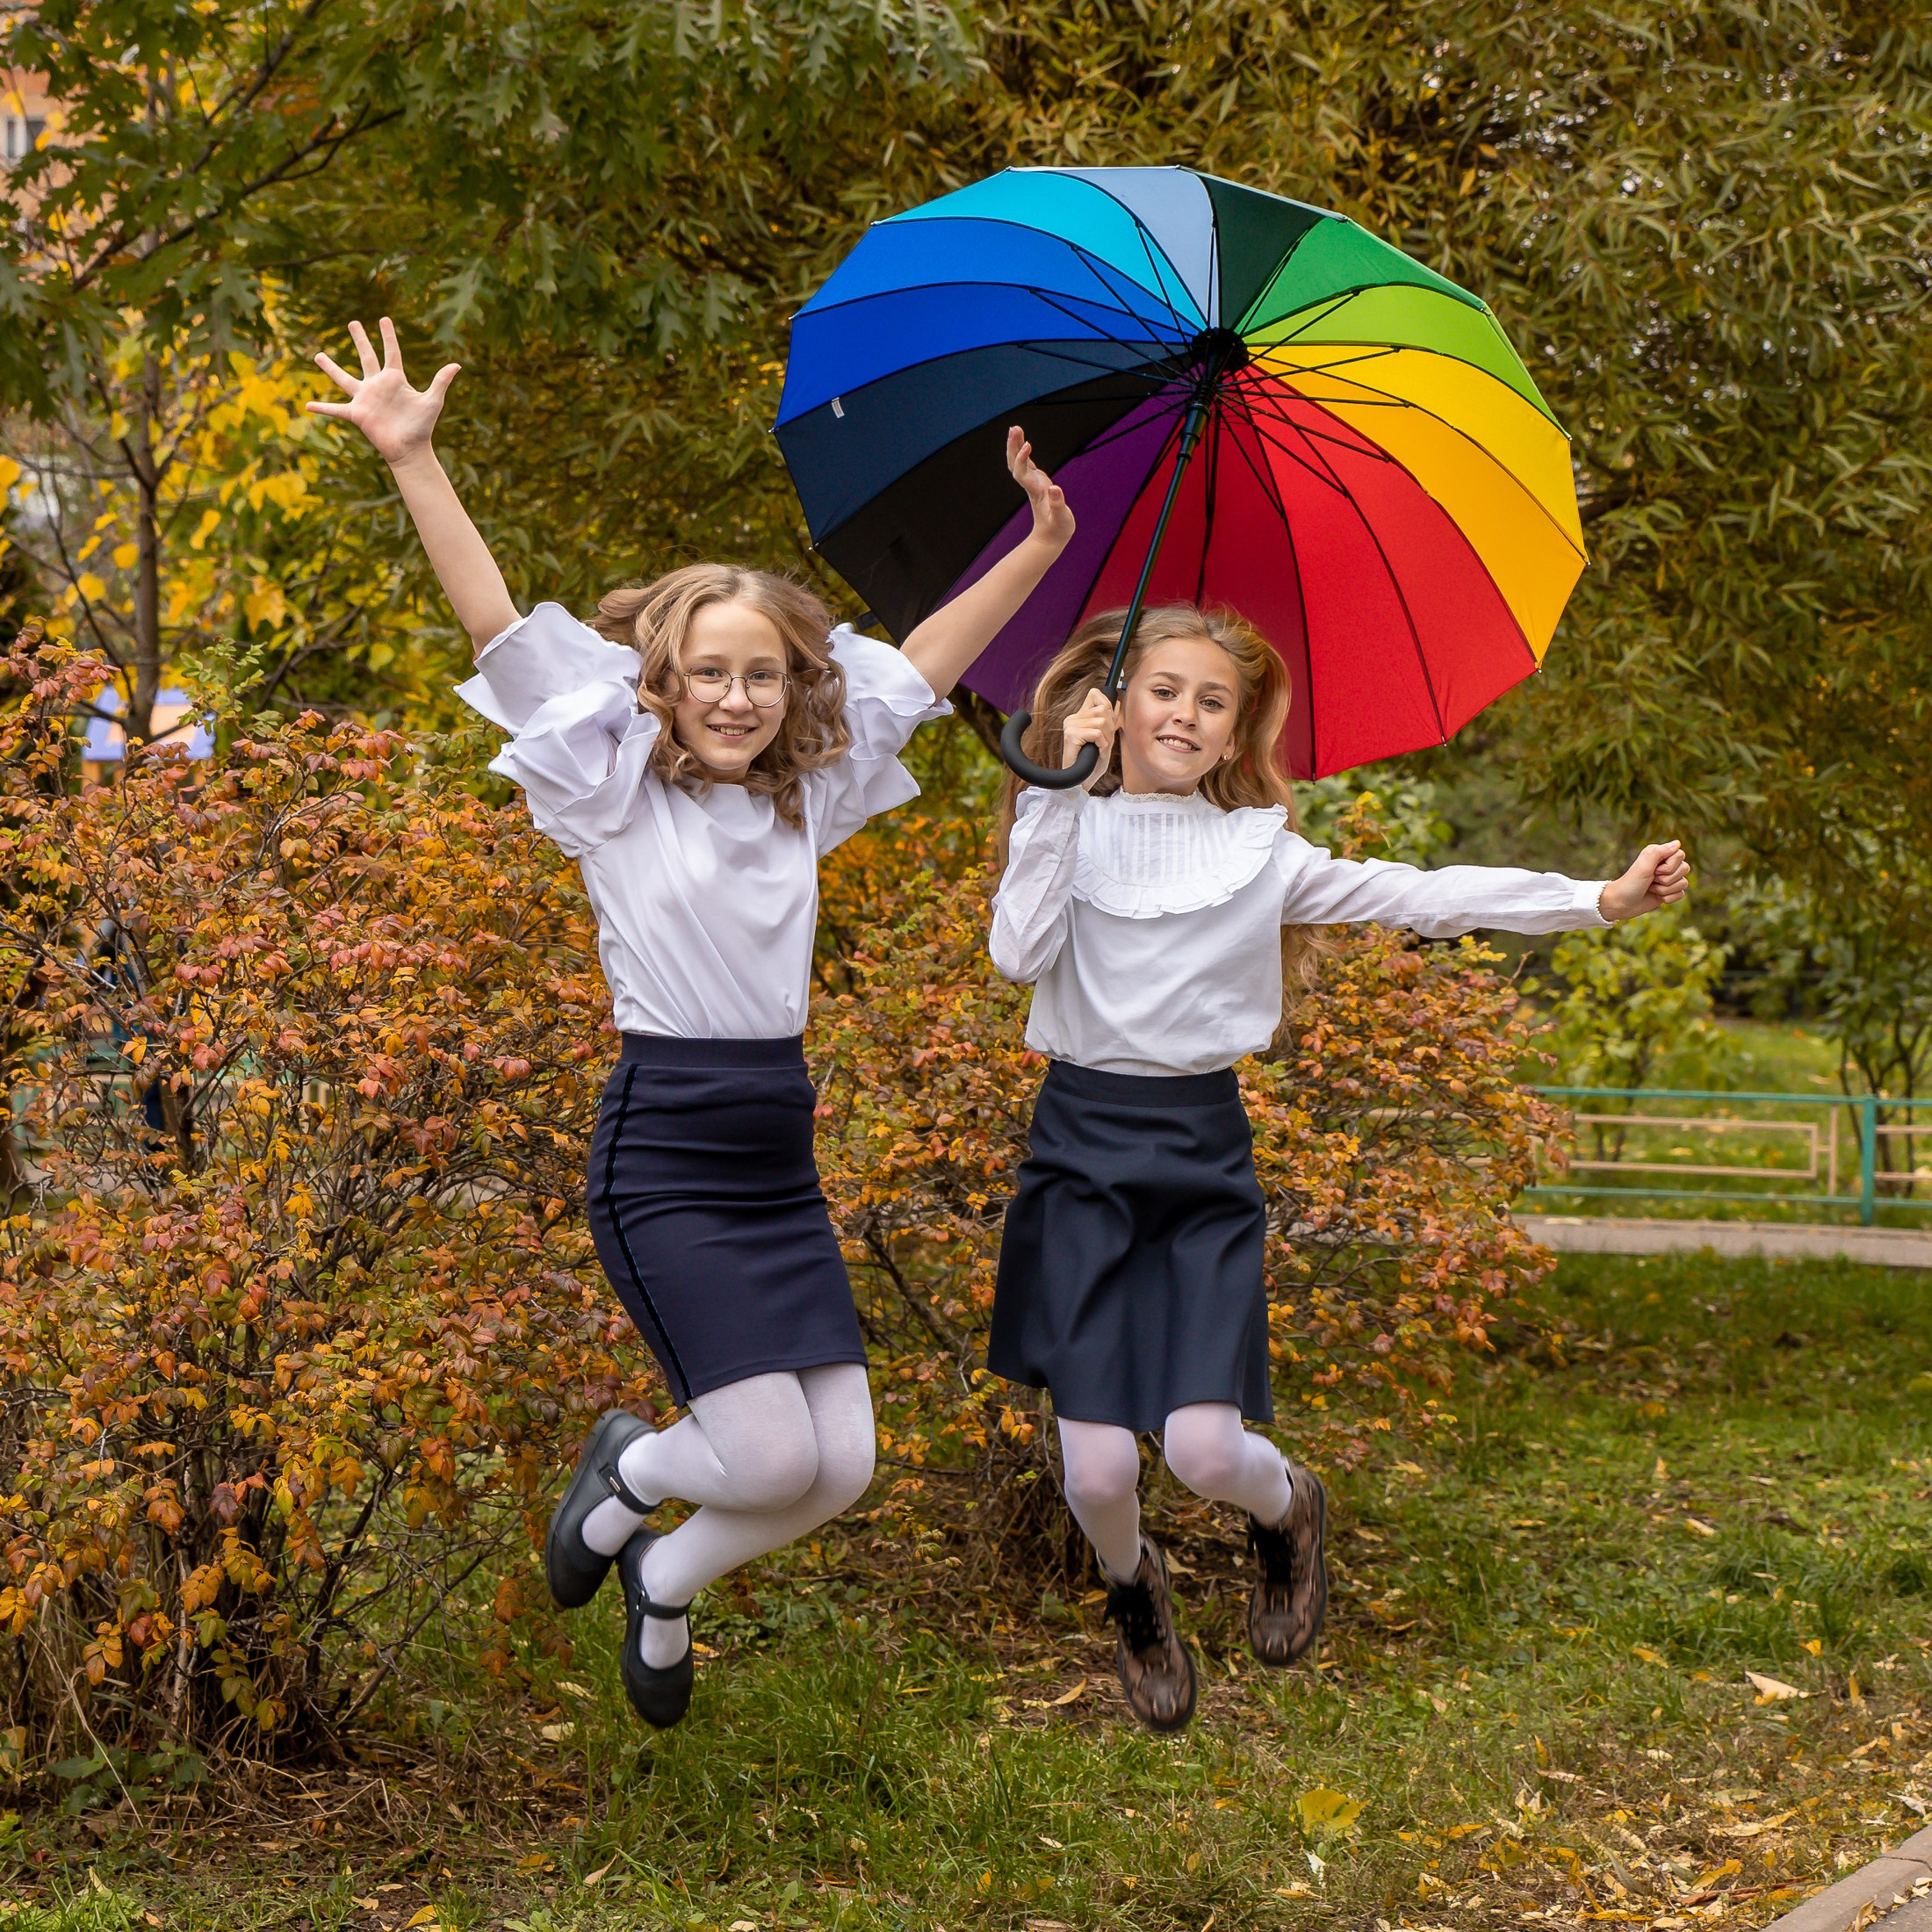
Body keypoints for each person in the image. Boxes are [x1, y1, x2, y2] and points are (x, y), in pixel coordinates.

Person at [310, 317, 1076, 1729]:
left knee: (836, 1469)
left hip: (775, 1156)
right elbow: (495, 623)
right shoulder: (612, 787)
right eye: (711, 672)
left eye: (764, 674)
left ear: (795, 686)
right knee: (766, 1446)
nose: (737, 696)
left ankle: (665, 1579)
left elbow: (920, 662)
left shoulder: (808, 791)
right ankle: (635, 1473)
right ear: (662, 680)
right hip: (663, 1151)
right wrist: (414, 457)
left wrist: (1034, 548)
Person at [986, 603, 1689, 1734]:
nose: (1185, 713)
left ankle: (1289, 1507)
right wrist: (1061, 785)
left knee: (1210, 1447)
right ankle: (1132, 1589)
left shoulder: (1260, 855)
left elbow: (1422, 892)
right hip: (1077, 1147)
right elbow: (1017, 952)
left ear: (1233, 739)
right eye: (1164, 689)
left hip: (1198, 1151)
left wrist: (1594, 901)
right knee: (1100, 1477)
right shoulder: (1062, 816)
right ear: (1115, 701)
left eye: (1213, 703)